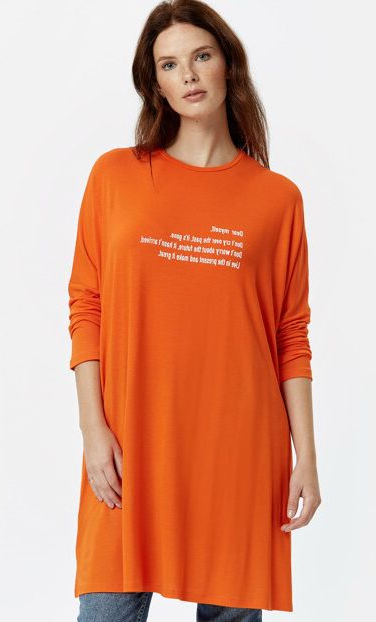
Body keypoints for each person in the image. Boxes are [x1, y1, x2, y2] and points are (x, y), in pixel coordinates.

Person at [67, 1, 321, 621]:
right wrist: (93, 430)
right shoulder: (115, 177)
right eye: (169, 64)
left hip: (237, 451)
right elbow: (86, 306)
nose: (188, 74)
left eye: (201, 56)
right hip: (131, 444)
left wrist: (306, 458)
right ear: (155, 83)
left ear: (228, 65)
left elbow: (290, 335)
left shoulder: (277, 200)